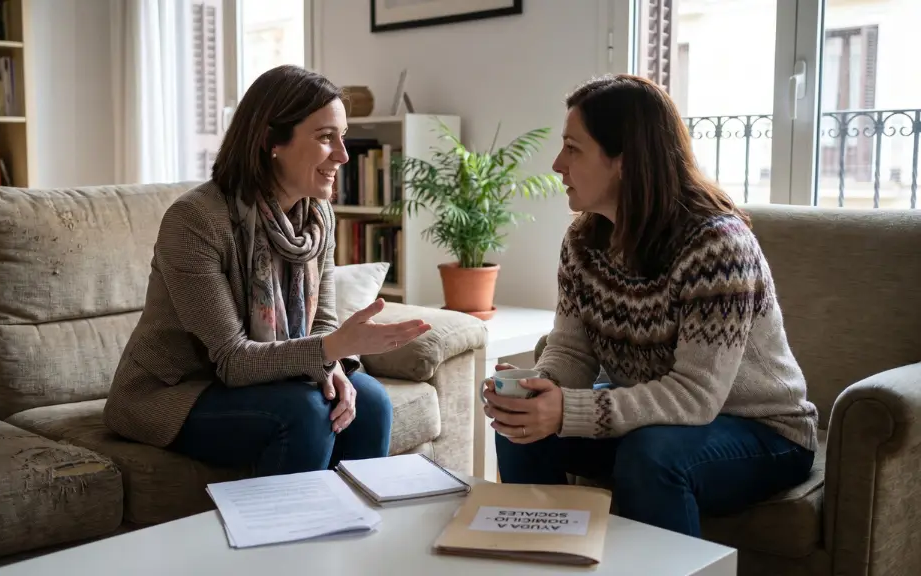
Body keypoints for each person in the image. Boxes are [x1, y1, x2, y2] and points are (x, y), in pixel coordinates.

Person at [483, 74, 818, 538]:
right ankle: (541, 558)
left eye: (573, 148)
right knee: (522, 428)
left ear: (624, 160)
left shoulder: (716, 247)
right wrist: (539, 391)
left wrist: (570, 410)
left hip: (761, 431)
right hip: (654, 420)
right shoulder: (584, 240)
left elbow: (696, 396)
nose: (557, 164)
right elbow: (572, 351)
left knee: (652, 453)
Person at [103, 64, 431, 476]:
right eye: (326, 137)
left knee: (371, 402)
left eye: (342, 137)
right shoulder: (195, 220)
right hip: (175, 392)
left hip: (269, 379)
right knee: (306, 412)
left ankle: (351, 534)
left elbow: (322, 325)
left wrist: (334, 367)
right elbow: (233, 360)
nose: (344, 156)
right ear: (271, 141)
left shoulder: (318, 217)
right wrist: (332, 350)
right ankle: (290, 538)